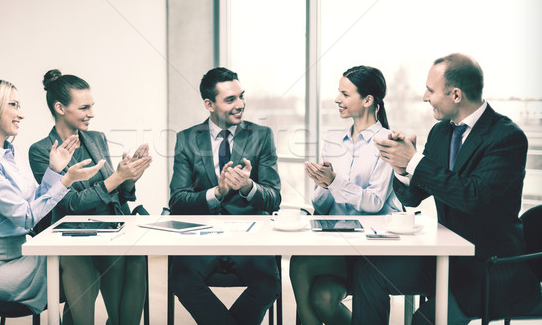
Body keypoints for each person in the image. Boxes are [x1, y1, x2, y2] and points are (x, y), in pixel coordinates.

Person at [352, 53, 541, 324]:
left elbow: (472, 196)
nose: (424, 97)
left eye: (430, 90)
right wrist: (402, 167)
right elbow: (414, 196)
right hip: (446, 260)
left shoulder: (507, 137)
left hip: (490, 270)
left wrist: (415, 161)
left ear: (455, 95)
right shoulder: (441, 132)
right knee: (368, 272)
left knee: (424, 321)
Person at [0, 78, 103, 314]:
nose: (21, 114)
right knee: (76, 264)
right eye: (14, 105)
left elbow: (33, 200)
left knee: (83, 262)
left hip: (20, 255)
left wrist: (54, 171)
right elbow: (26, 218)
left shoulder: (8, 155)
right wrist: (66, 180)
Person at [29, 70, 152, 325]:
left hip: (113, 229)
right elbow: (71, 203)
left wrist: (129, 178)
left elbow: (119, 197)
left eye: (92, 106)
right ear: (60, 108)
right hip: (73, 234)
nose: (92, 113)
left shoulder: (97, 138)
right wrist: (116, 178)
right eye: (84, 107)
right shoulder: (41, 151)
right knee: (100, 267)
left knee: (137, 262)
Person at [290, 66, 403, 325]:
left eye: (344, 93)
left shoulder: (388, 142)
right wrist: (323, 186)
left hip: (370, 249)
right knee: (323, 297)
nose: (337, 99)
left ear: (367, 100)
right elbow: (322, 205)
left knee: (300, 264)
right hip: (337, 241)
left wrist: (335, 182)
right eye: (338, 93)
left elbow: (375, 203)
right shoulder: (333, 140)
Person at [168, 67, 281, 325]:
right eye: (230, 100)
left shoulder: (262, 136)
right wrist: (216, 193)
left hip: (250, 238)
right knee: (181, 279)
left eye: (241, 96)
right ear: (209, 104)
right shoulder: (186, 140)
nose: (240, 105)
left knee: (268, 283)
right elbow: (177, 202)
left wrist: (248, 187)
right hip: (201, 237)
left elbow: (274, 198)